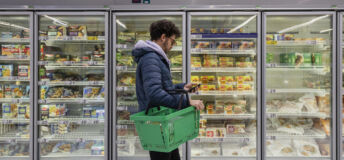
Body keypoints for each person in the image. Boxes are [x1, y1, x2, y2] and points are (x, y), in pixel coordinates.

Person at [132, 19, 205, 160]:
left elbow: (162, 88)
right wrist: (186, 102)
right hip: (155, 121)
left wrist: (180, 88)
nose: (172, 45)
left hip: (161, 119)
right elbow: (154, 94)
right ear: (163, 37)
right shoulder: (150, 58)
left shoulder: (156, 57)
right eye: (173, 41)